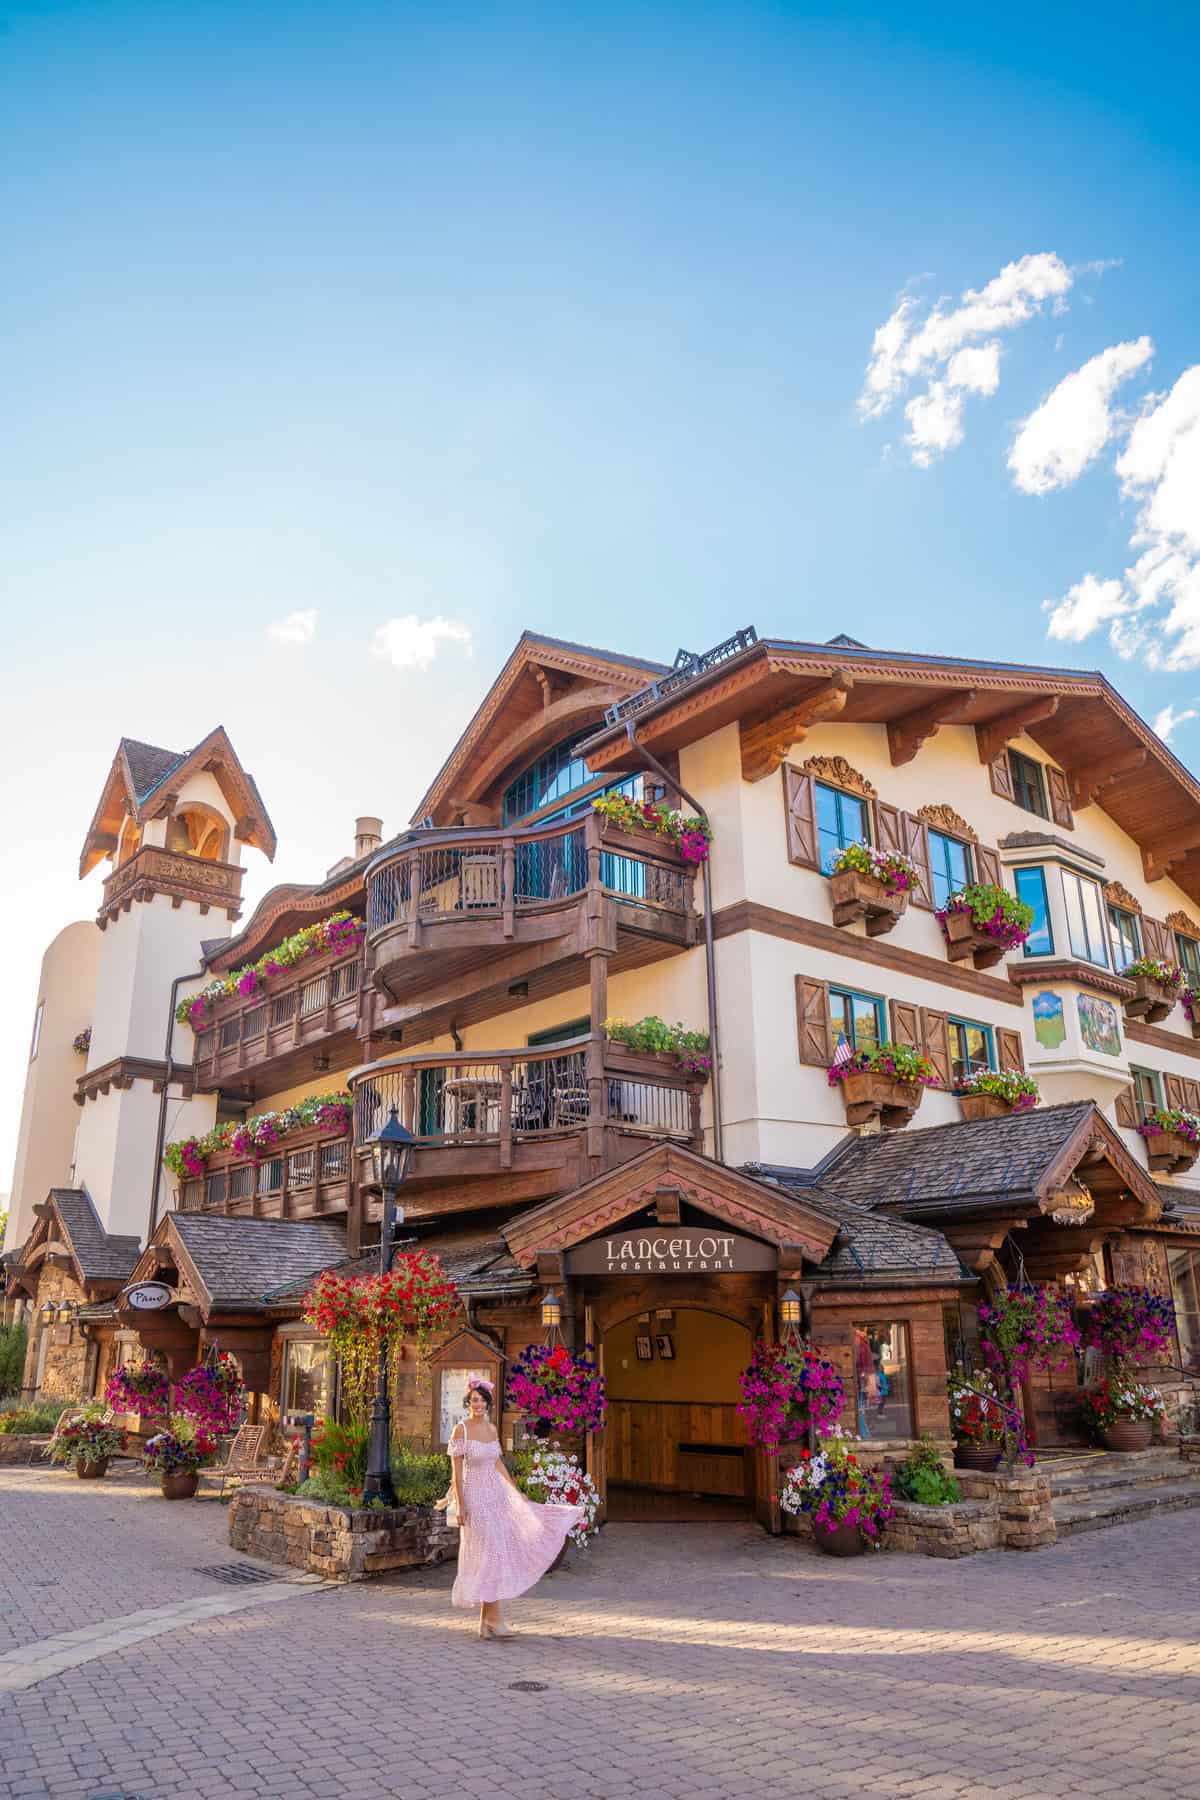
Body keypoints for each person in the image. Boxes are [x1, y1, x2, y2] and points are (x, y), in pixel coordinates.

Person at [448, 1378, 583, 1640]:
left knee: (497, 1551)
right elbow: (456, 1472)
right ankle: (493, 1619)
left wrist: (515, 1490)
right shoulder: (460, 1430)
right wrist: (461, 1506)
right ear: (468, 1402)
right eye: (474, 1400)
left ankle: (487, 1622)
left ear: (488, 1403)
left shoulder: (491, 1428)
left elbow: (497, 1463)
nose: (478, 1404)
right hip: (474, 1497)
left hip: (495, 1495)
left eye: (482, 1400)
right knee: (490, 1552)